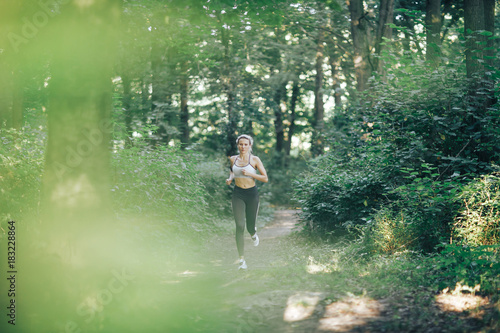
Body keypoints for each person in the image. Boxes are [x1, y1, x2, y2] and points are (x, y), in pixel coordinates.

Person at [226, 134, 268, 270]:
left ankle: (253, 233)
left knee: (250, 226)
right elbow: (233, 171)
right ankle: (241, 260)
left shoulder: (255, 159)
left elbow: (265, 178)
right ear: (237, 145)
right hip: (238, 194)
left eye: (246, 144)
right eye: (240, 144)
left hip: (252, 194)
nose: (243, 147)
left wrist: (251, 174)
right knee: (239, 225)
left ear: (250, 146)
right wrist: (230, 178)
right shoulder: (233, 159)